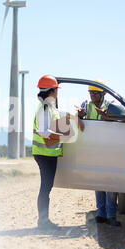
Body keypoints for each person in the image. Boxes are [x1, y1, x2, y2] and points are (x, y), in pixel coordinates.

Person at [33, 75, 84, 229]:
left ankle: (43, 221)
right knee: (45, 188)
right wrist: (63, 136)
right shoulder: (45, 108)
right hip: (45, 154)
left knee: (46, 187)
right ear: (52, 91)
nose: (57, 93)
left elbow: (59, 118)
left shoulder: (49, 107)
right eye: (56, 90)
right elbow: (43, 132)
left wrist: (75, 118)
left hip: (48, 154)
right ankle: (43, 222)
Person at [78, 80, 121, 227]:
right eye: (91, 93)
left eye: (95, 93)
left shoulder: (111, 105)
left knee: (110, 183)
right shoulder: (85, 105)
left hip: (109, 149)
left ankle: (111, 215)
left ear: (104, 93)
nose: (92, 96)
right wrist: (79, 116)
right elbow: (80, 124)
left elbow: (118, 123)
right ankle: (101, 214)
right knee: (98, 183)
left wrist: (106, 116)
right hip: (94, 149)